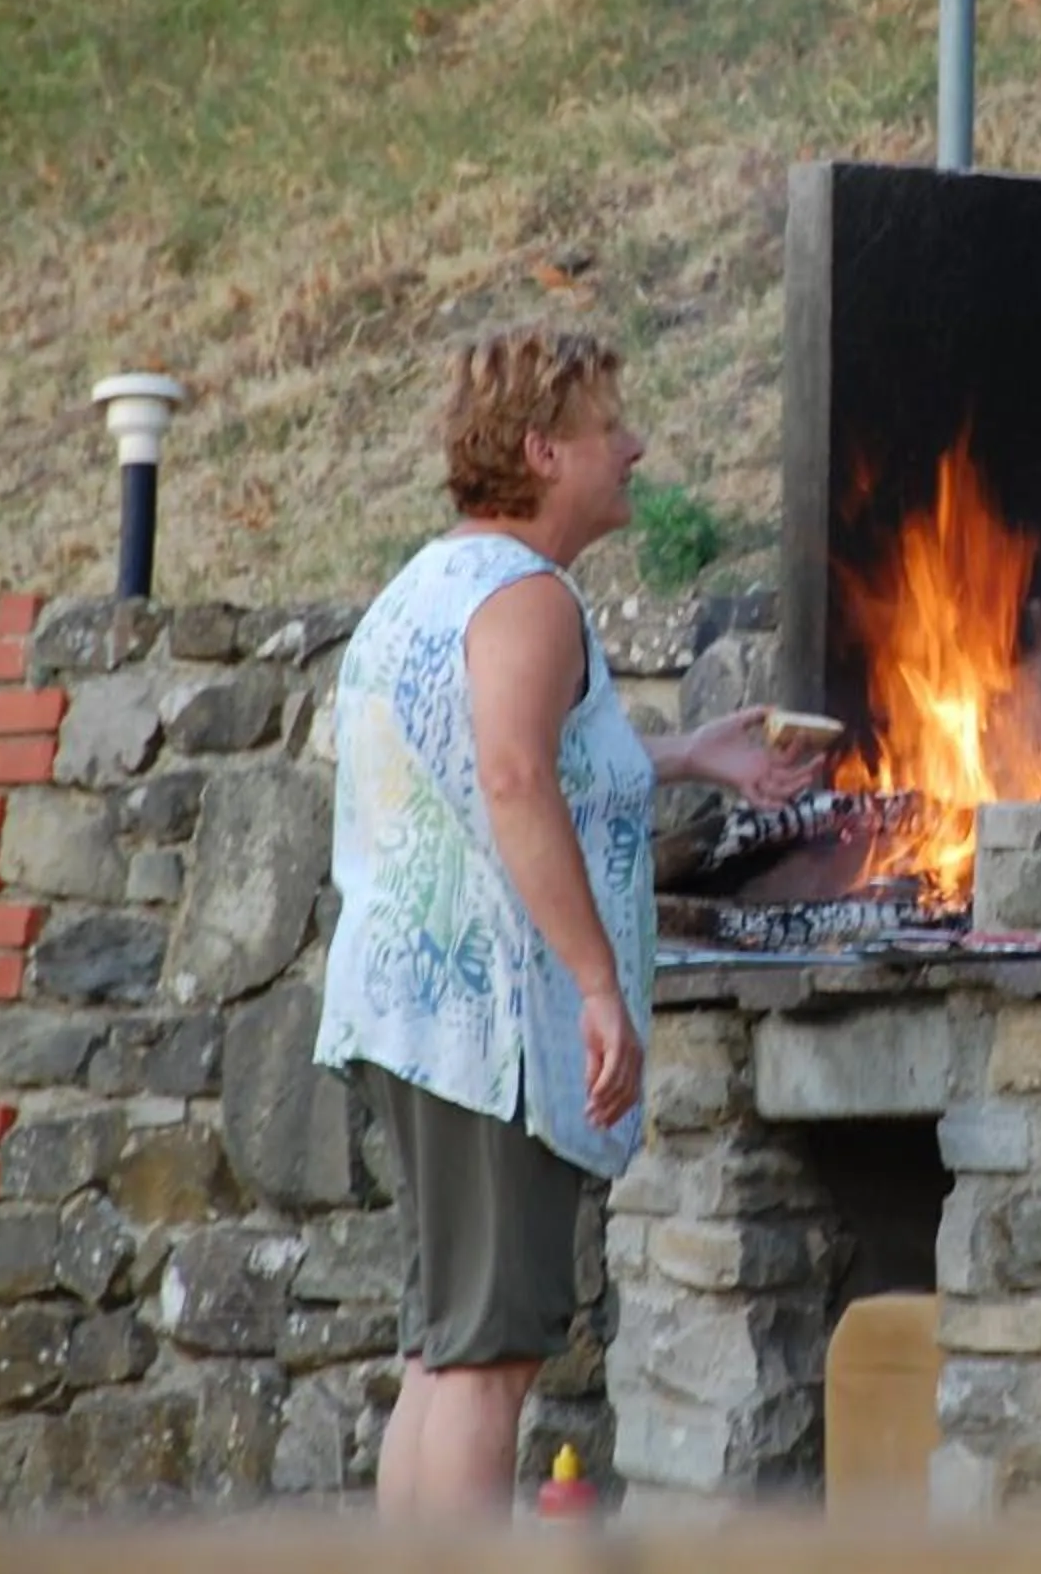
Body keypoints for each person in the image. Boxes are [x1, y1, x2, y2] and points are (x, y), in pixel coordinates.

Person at [313, 323, 823, 1517]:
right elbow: (511, 779)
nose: (634, 446)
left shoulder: (429, 583)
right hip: (493, 1029)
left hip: (412, 1015)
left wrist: (684, 754)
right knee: (487, 1364)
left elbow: (507, 755)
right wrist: (598, 982)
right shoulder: (529, 596)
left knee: (442, 1353)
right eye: (610, 428)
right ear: (543, 450)